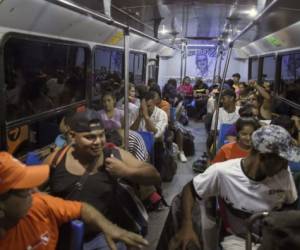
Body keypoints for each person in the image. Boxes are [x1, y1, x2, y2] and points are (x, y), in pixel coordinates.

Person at [170, 125, 298, 250]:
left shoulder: (283, 175)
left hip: (273, 237)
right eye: (282, 160)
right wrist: (187, 225)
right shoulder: (223, 172)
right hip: (238, 239)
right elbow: (190, 189)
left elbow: (291, 205)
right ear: (263, 157)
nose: (285, 166)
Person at [47, 109, 160, 249]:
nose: (98, 142)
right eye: (89, 137)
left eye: (101, 135)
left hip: (102, 236)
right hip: (62, 237)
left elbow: (154, 175)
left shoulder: (112, 154)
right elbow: (31, 194)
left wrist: (126, 171)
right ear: (72, 136)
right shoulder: (56, 160)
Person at [0, 152, 149, 250]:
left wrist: (110, 228)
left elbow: (83, 208)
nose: (33, 191)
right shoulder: (58, 159)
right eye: (24, 190)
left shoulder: (40, 205)